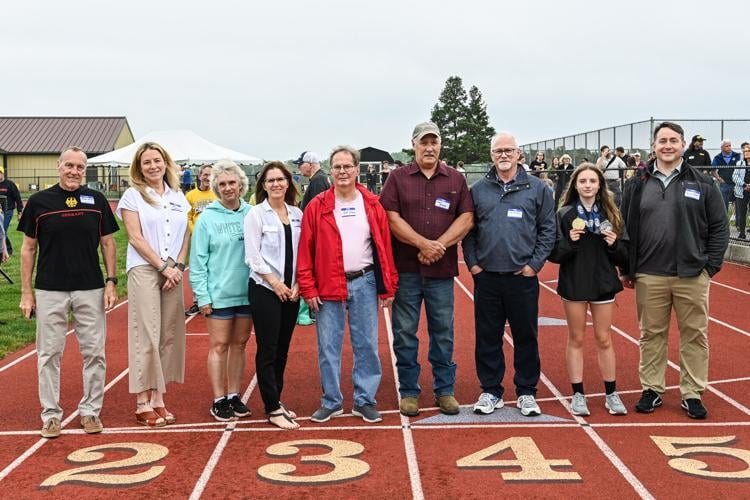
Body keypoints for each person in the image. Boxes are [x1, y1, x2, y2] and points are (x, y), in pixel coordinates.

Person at [621, 122, 729, 420]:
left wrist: (710, 267)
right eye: (662, 141)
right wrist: (627, 267)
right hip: (648, 273)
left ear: (682, 145)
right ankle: (652, 389)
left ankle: (692, 393)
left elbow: (720, 228)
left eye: (673, 140)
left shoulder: (703, 183)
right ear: (653, 146)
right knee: (651, 334)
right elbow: (626, 228)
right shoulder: (637, 183)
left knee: (694, 334)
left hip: (692, 274)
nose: (667, 145)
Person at [18, 146, 118, 438]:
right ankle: (51, 415)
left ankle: (90, 412)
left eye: (80, 167)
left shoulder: (96, 199)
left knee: (94, 353)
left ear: (84, 170)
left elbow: (108, 243)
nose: (74, 171)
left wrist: (111, 280)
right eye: (69, 165)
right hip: (50, 289)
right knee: (49, 354)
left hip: (90, 287)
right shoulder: (38, 202)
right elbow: (28, 248)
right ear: (58, 166)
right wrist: (26, 292)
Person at [379, 122, 473, 417]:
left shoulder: (456, 179)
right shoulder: (397, 178)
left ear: (440, 145)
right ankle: (409, 391)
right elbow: (390, 218)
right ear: (414, 145)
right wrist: (422, 244)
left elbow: (467, 218)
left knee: (443, 332)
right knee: (405, 332)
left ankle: (445, 390)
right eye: (424, 142)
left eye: (434, 142)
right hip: (406, 270)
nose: (429, 147)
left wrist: (438, 247)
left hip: (441, 273)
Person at [298, 146, 397, 423]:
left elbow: (384, 247)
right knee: (328, 346)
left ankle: (364, 400)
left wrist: (389, 285)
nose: (342, 171)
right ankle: (331, 401)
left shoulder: (372, 204)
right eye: (337, 167)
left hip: (364, 281)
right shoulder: (317, 205)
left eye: (347, 166)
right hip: (328, 283)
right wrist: (308, 287)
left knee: (366, 344)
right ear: (331, 170)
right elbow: (306, 250)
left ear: (357, 169)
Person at [463, 132, 556, 417]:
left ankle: (526, 391)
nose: (503, 155)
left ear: (518, 154)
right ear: (491, 155)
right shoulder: (478, 190)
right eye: (498, 151)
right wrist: (473, 264)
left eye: (508, 150)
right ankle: (491, 390)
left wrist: (534, 265)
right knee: (487, 336)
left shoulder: (537, 188)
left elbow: (548, 229)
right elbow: (468, 230)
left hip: (522, 278)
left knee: (526, 335)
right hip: (487, 277)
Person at [116, 142, 190, 428]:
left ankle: (159, 397)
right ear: (139, 167)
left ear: (165, 163)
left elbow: (186, 235)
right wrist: (161, 267)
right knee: (147, 332)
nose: (153, 166)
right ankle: (142, 402)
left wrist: (178, 266)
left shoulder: (178, 196)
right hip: (146, 268)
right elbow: (135, 237)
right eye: (146, 162)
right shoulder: (133, 195)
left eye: (157, 161)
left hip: (173, 269)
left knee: (168, 333)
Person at [548, 163, 628, 416]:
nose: (587, 185)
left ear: (600, 185)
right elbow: (554, 254)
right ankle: (578, 394)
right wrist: (569, 243)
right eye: (582, 181)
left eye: (592, 181)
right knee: (577, 338)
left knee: (604, 338)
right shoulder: (565, 214)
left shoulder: (611, 214)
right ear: (575, 185)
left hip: (603, 282)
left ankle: (611, 394)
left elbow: (624, 255)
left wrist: (615, 245)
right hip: (575, 282)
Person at [189, 160, 253, 422]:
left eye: (232, 183)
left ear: (241, 185)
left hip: (248, 293)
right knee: (219, 346)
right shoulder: (207, 219)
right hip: (219, 295)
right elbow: (198, 261)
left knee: (239, 345)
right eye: (222, 184)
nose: (228, 188)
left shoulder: (252, 214)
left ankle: (235, 395)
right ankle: (219, 399)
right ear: (215, 187)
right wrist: (202, 296)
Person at [245, 161, 303, 429]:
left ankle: (276, 400)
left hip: (291, 292)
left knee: (283, 349)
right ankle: (271, 406)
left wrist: (298, 284)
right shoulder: (256, 215)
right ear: (263, 185)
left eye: (280, 179)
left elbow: (303, 252)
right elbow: (253, 257)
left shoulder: (297, 214)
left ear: (288, 182)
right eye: (271, 181)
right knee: (268, 349)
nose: (276, 184)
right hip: (266, 290)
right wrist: (275, 283)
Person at [293, 151, 330, 326]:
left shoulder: (318, 181)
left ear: (309, 163)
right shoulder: (318, 179)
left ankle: (307, 310)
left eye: (301, 164)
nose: (299, 167)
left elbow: (318, 211)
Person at [184, 164, 218, 316]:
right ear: (199, 176)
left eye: (210, 175)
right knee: (198, 268)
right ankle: (198, 301)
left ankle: (215, 298)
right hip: (197, 238)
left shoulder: (217, 194)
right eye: (205, 174)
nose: (207, 177)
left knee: (214, 267)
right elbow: (187, 216)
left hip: (215, 237)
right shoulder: (190, 196)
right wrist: (194, 231)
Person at [0, 165, 24, 255]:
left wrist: (19, 212)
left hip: (8, 211)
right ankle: (6, 249)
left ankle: (8, 250)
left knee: (3, 230)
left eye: (0, 172)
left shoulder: (10, 184)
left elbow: (18, 198)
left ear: (3, 173)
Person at [711, 140, 741, 210]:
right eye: (727, 146)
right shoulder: (718, 157)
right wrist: (718, 178)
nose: (729, 147)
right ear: (722, 148)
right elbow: (712, 170)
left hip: (737, 183)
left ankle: (737, 219)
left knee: (738, 204)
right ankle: (724, 220)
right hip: (724, 184)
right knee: (724, 204)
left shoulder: (737, 156)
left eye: (730, 145)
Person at [732, 143, 750, 239]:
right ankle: (742, 233)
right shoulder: (740, 163)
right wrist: (743, 184)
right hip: (741, 191)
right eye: (745, 151)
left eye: (748, 151)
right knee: (741, 214)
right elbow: (734, 176)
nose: (746, 153)